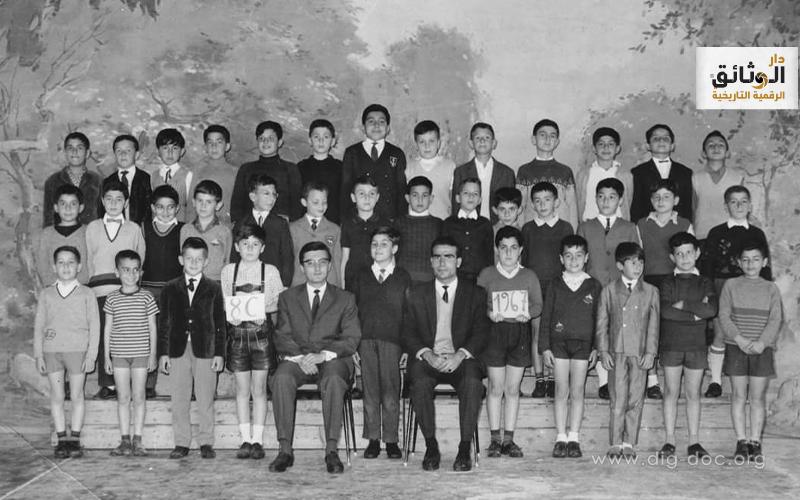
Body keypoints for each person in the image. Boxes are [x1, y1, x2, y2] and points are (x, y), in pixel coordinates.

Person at [268, 241, 362, 474]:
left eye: (322, 262)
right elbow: (282, 335)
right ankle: (285, 450)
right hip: (298, 359)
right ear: (302, 268)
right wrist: (302, 357)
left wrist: (322, 356)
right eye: (310, 263)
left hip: (333, 359)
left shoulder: (345, 298)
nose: (317, 268)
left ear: (330, 266)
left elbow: (351, 338)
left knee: (333, 379)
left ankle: (331, 450)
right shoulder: (288, 297)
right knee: (281, 378)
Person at [402, 236, 490, 472]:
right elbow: (407, 331)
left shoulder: (476, 293)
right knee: (419, 382)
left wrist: (459, 355)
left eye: (448, 257)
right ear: (431, 262)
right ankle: (431, 447)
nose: (442, 262)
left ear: (458, 261)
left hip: (461, 359)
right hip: (429, 359)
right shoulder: (416, 293)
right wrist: (427, 354)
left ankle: (464, 449)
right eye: (437, 257)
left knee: (472, 383)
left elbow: (481, 331)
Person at [158, 237, 226, 459]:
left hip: (205, 350)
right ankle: (181, 442)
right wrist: (163, 353)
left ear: (206, 261)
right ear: (181, 260)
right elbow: (164, 323)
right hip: (178, 350)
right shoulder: (169, 288)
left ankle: (206, 441)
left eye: (199, 259)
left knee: (205, 397)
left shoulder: (214, 288)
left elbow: (220, 323)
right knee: (180, 398)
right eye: (189, 258)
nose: (194, 263)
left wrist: (219, 353)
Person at [477, 226, 542, 458]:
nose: (508, 253)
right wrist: (489, 313)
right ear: (496, 249)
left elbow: (538, 305)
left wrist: (528, 314)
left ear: (520, 250)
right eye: (503, 247)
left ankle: (509, 440)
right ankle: (495, 439)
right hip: (494, 334)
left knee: (512, 389)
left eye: (513, 248)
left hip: (519, 334)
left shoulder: (529, 276)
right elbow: (478, 304)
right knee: (495, 387)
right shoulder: (487, 275)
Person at [221, 224, 285, 460]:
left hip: (261, 336)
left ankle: (257, 440)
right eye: (245, 244)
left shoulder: (270, 271)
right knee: (241, 389)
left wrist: (263, 310)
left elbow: (280, 301)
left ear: (262, 247)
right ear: (237, 247)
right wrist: (232, 315)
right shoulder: (229, 271)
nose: (250, 248)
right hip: (238, 336)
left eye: (255, 244)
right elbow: (226, 301)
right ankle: (244, 439)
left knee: (259, 390)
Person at [700, 185, 771, 398]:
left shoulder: (757, 234)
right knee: (721, 333)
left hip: (750, 289)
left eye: (743, 201)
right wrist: (707, 292)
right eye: (733, 201)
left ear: (750, 206)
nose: (739, 206)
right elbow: (707, 267)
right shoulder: (716, 232)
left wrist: (765, 293)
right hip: (722, 287)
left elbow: (765, 268)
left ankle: (744, 381)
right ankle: (715, 380)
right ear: (726, 206)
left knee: (748, 332)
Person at [719, 240, 782, 462]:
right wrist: (739, 338)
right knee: (738, 395)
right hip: (736, 347)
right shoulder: (731, 285)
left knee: (757, 397)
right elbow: (724, 315)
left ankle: (755, 442)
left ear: (764, 262)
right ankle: (741, 441)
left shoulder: (771, 288)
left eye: (755, 259)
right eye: (745, 259)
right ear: (738, 262)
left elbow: (775, 320)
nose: (750, 264)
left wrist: (762, 343)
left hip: (761, 349)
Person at [351, 226, 411, 459]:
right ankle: (373, 439)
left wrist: (406, 347)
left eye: (384, 244)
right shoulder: (361, 276)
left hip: (392, 342)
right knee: (370, 392)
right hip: (366, 341)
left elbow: (409, 314)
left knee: (390, 392)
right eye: (374, 244)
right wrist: (354, 344)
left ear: (394, 248)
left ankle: (392, 440)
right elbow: (351, 313)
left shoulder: (403, 277)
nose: (378, 248)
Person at [34, 246, 99, 458]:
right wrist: (39, 354)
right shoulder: (46, 294)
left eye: (71, 262)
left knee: (77, 395)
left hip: (78, 351)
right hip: (52, 352)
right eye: (61, 262)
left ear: (79, 267)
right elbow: (39, 325)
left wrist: (91, 356)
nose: (66, 267)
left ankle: (74, 440)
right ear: (54, 267)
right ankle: (62, 439)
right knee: (58, 395)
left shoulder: (87, 293)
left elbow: (95, 326)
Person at [540, 235, 602, 458]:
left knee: (577, 391)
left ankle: (574, 437)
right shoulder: (555, 284)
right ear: (561, 258)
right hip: (559, 344)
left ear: (586, 257)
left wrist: (596, 347)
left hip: (583, 346)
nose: (573, 260)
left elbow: (599, 319)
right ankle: (560, 437)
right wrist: (545, 347)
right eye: (568, 256)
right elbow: (546, 316)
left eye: (578, 255)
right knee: (561, 390)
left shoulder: (594, 285)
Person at [577, 177, 639, 399]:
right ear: (595, 199)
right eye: (601, 196)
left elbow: (636, 261)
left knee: (618, 332)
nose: (606, 201)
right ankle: (603, 380)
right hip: (592, 288)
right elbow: (579, 259)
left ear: (620, 200)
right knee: (598, 331)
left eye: (612, 197)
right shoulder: (585, 226)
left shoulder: (629, 227)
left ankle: (619, 378)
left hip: (620, 289)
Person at [596, 242, 659, 459]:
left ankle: (629, 442)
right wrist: (603, 351)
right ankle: (615, 442)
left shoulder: (651, 291)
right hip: (617, 352)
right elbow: (602, 324)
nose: (638, 267)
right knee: (617, 397)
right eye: (632, 262)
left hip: (640, 352)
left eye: (640, 262)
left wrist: (650, 353)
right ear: (620, 265)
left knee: (635, 398)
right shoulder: (609, 290)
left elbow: (654, 326)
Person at [657, 232, 717, 459]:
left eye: (689, 252)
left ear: (697, 253)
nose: (684, 258)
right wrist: (694, 314)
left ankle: (694, 441)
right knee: (671, 392)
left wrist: (682, 304)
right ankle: (669, 440)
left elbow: (711, 310)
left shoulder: (705, 282)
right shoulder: (667, 282)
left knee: (693, 393)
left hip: (696, 346)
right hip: (672, 344)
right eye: (679, 254)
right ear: (672, 257)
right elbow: (666, 311)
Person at [86, 178, 146, 399]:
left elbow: (141, 257)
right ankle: (107, 384)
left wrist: (133, 287)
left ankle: (128, 381)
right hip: (99, 292)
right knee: (105, 335)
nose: (113, 204)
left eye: (119, 199)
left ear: (126, 202)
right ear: (102, 201)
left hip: (126, 291)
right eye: (109, 199)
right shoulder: (92, 227)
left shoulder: (133, 228)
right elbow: (88, 258)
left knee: (126, 335)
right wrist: (91, 287)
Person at [521, 181, 574, 397]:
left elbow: (570, 259)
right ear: (532, 204)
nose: (542, 205)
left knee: (555, 333)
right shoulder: (527, 229)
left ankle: (553, 379)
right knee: (536, 333)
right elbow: (524, 261)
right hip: (534, 288)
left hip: (558, 288)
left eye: (547, 200)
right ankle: (539, 379)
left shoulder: (565, 228)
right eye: (537, 201)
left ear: (556, 202)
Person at [103, 250, 158, 456]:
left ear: (141, 272)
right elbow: (108, 328)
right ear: (117, 272)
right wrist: (107, 356)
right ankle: (124, 440)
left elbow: (152, 327)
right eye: (126, 270)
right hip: (119, 355)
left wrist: (153, 354)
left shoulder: (146, 297)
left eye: (135, 270)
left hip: (141, 354)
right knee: (123, 397)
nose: (131, 274)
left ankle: (138, 440)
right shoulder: (112, 298)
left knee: (139, 396)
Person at [140, 184, 184, 399]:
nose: (165, 211)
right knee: (149, 337)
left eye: (170, 207)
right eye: (160, 207)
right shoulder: (143, 228)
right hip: (149, 289)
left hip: (174, 290)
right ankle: (148, 383)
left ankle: (180, 382)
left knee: (175, 335)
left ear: (177, 208)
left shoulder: (183, 229)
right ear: (152, 207)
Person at [341, 104, 407, 220]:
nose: (376, 125)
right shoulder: (352, 153)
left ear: (388, 128)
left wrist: (401, 220)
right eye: (371, 121)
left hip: (389, 218)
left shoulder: (396, 153)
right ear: (363, 127)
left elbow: (401, 191)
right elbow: (345, 189)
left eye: (381, 122)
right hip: (359, 219)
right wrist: (346, 219)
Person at [231, 120, 303, 223]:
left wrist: (291, 224)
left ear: (279, 142)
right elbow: (237, 202)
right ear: (257, 142)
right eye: (261, 139)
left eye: (271, 139)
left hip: (281, 226)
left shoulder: (290, 169)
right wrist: (238, 224)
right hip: (250, 226)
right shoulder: (246, 169)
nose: (265, 142)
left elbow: (297, 203)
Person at [230, 174, 294, 287]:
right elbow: (235, 256)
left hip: (273, 282)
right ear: (253, 197)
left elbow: (287, 257)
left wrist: (285, 284)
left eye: (274, 195)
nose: (272, 199)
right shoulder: (241, 223)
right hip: (246, 282)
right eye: (266, 194)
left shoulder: (280, 224)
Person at [516, 119, 578, 228]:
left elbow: (572, 207)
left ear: (557, 142)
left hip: (561, 230)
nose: (547, 139)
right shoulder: (524, 170)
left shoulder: (566, 171)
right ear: (534, 139)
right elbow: (520, 206)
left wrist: (573, 232)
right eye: (543, 135)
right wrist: (522, 231)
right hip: (532, 230)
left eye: (552, 136)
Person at [452, 122, 515, 225]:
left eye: (487, 137)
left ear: (494, 143)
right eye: (478, 138)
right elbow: (456, 205)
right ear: (471, 143)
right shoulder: (461, 172)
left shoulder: (507, 173)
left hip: (498, 226)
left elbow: (512, 204)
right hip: (469, 226)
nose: (482, 141)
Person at [630, 124, 693, 223]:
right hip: (648, 227)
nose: (661, 141)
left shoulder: (685, 172)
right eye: (656, 138)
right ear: (648, 146)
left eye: (666, 138)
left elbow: (687, 207)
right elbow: (636, 206)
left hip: (678, 227)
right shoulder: (637, 173)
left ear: (672, 146)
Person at [692, 131, 745, 241]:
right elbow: (692, 209)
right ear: (703, 153)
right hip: (702, 236)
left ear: (727, 153)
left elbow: (741, 210)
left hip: (730, 236)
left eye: (721, 145)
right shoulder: (695, 178)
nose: (716, 148)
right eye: (711, 145)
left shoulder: (737, 178)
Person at [341, 176, 391, 290]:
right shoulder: (348, 223)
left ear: (377, 197)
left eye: (371, 194)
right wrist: (343, 286)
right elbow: (345, 257)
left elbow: (390, 257)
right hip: (353, 279)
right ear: (353, 197)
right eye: (361, 194)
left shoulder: (385, 224)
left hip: (377, 280)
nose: (367, 198)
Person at [289, 182, 342, 286]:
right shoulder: (292, 228)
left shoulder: (335, 229)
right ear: (304, 202)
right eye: (315, 202)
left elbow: (337, 260)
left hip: (328, 283)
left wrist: (338, 286)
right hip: (300, 283)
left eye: (324, 202)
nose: (321, 206)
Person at [43, 132, 102, 227]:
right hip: (61, 234)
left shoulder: (98, 181)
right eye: (70, 148)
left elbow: (103, 215)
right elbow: (48, 218)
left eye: (79, 148)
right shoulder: (52, 181)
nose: (75, 152)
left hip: (91, 234)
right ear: (65, 153)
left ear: (87, 153)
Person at [575, 126, 633, 222]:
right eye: (601, 144)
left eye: (611, 144)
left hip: (617, 225)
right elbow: (579, 201)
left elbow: (628, 200)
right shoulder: (584, 174)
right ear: (594, 148)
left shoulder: (625, 175)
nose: (606, 148)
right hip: (590, 225)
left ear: (617, 149)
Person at [441, 178, 493, 283]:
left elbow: (489, 254)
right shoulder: (448, 223)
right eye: (466, 193)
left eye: (475, 194)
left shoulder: (485, 224)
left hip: (480, 278)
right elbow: (443, 251)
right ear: (457, 198)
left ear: (480, 200)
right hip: (454, 277)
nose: (471, 197)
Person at [37, 184, 89, 286]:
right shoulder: (47, 234)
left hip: (83, 288)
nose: (68, 208)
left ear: (81, 207)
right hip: (54, 289)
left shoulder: (89, 232)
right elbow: (42, 264)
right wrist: (54, 285)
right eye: (63, 204)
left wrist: (80, 285)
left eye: (73, 204)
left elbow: (92, 262)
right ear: (56, 207)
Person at [179, 180, 232, 282]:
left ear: (218, 205)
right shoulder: (186, 229)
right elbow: (183, 258)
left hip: (215, 282)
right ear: (194, 202)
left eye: (209, 202)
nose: (203, 206)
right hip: (191, 281)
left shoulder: (224, 231)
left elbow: (227, 262)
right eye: (200, 201)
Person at [395, 176, 442, 284]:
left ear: (431, 198)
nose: (420, 200)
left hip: (430, 280)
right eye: (415, 195)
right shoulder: (398, 223)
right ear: (407, 198)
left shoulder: (439, 224)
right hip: (402, 280)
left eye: (424, 195)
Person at [405, 120, 456, 219]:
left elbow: (453, 197)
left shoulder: (449, 166)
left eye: (431, 141)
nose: (427, 146)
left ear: (438, 143)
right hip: (416, 222)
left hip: (443, 221)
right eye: (422, 142)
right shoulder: (409, 168)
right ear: (416, 145)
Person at [297, 119, 343, 224]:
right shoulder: (301, 167)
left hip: (333, 222)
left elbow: (343, 198)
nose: (321, 141)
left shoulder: (340, 167)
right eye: (316, 137)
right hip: (306, 222)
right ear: (310, 140)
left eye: (326, 137)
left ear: (332, 141)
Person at [191, 125, 238, 225]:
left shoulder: (236, 172)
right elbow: (191, 202)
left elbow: (239, 203)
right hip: (201, 224)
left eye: (219, 142)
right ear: (205, 147)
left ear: (227, 146)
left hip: (226, 225)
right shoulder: (198, 169)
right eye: (210, 143)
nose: (214, 146)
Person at [100, 134, 152, 225]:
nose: (123, 154)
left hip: (141, 229)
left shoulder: (147, 179)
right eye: (119, 150)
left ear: (136, 155)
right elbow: (101, 211)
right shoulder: (107, 181)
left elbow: (150, 210)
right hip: (114, 229)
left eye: (128, 150)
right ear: (114, 155)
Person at [149, 128, 194, 223]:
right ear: (158, 151)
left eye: (175, 148)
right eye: (165, 148)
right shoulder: (153, 176)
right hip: (157, 226)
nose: (170, 153)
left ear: (182, 151)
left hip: (180, 225)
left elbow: (191, 206)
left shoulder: (188, 175)